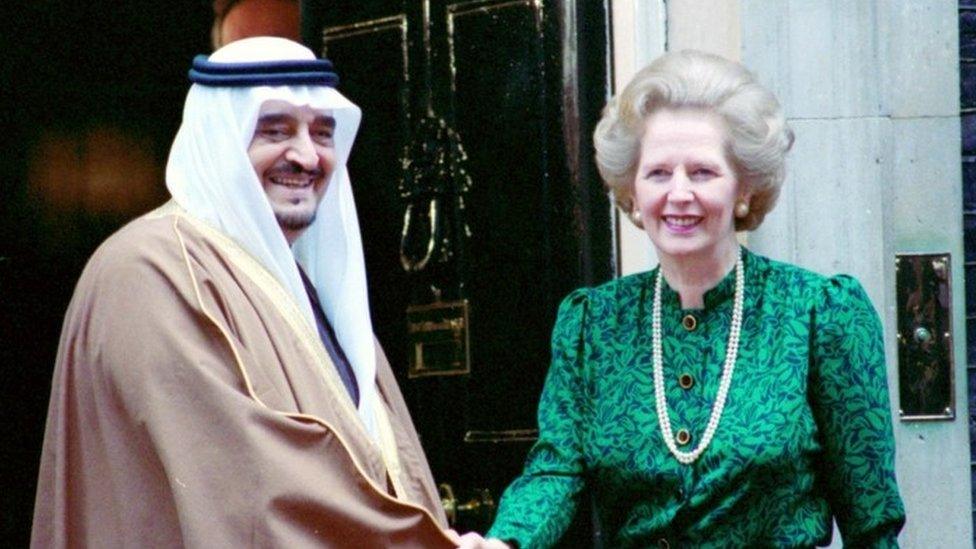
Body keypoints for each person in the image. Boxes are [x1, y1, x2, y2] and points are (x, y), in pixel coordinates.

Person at [454, 50, 906, 548]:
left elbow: (873, 522)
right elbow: (556, 471)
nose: (679, 194)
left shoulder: (821, 314)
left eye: (703, 172)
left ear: (744, 189)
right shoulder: (592, 323)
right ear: (631, 192)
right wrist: (504, 543)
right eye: (659, 173)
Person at [31, 37, 455, 548]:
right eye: (274, 130)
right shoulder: (149, 267)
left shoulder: (294, 285)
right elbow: (247, 483)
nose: (307, 156)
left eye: (323, 134)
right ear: (221, 141)